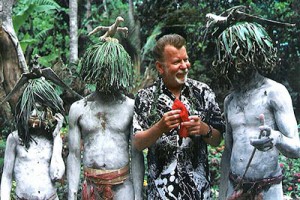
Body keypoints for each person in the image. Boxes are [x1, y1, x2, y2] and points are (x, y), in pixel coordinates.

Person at [207, 13, 300, 199]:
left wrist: (277, 138)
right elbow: (228, 151)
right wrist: (223, 193)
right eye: (231, 58)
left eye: (242, 56)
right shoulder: (230, 100)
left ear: (254, 55)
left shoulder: (275, 92)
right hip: (237, 188)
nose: (237, 64)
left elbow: (296, 148)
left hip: (268, 189)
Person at [132, 33, 225, 199]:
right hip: (161, 194)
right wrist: (159, 128)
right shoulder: (145, 97)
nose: (184, 66)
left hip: (198, 194)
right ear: (160, 67)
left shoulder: (202, 92)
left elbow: (217, 139)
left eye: (186, 59)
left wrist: (204, 129)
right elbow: (137, 143)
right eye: (176, 62)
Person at [67, 39, 144, 200]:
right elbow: (73, 155)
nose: (105, 76)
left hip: (123, 187)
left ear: (119, 71)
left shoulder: (130, 107)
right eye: (101, 71)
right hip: (91, 187)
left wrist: (138, 196)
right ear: (93, 70)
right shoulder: (79, 108)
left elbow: (136, 153)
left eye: (109, 71)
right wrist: (72, 195)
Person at [1, 78, 65, 200]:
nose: (34, 114)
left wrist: (56, 137)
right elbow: (7, 176)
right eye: (31, 109)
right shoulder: (15, 138)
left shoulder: (52, 138)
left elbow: (57, 175)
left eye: (39, 109)